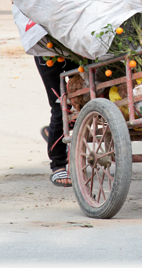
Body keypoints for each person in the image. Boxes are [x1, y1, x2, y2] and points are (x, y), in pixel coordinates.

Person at [37, 55, 78, 187]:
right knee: (60, 107)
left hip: (76, 49)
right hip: (46, 54)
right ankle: (58, 164)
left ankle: (54, 133)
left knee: (83, 98)